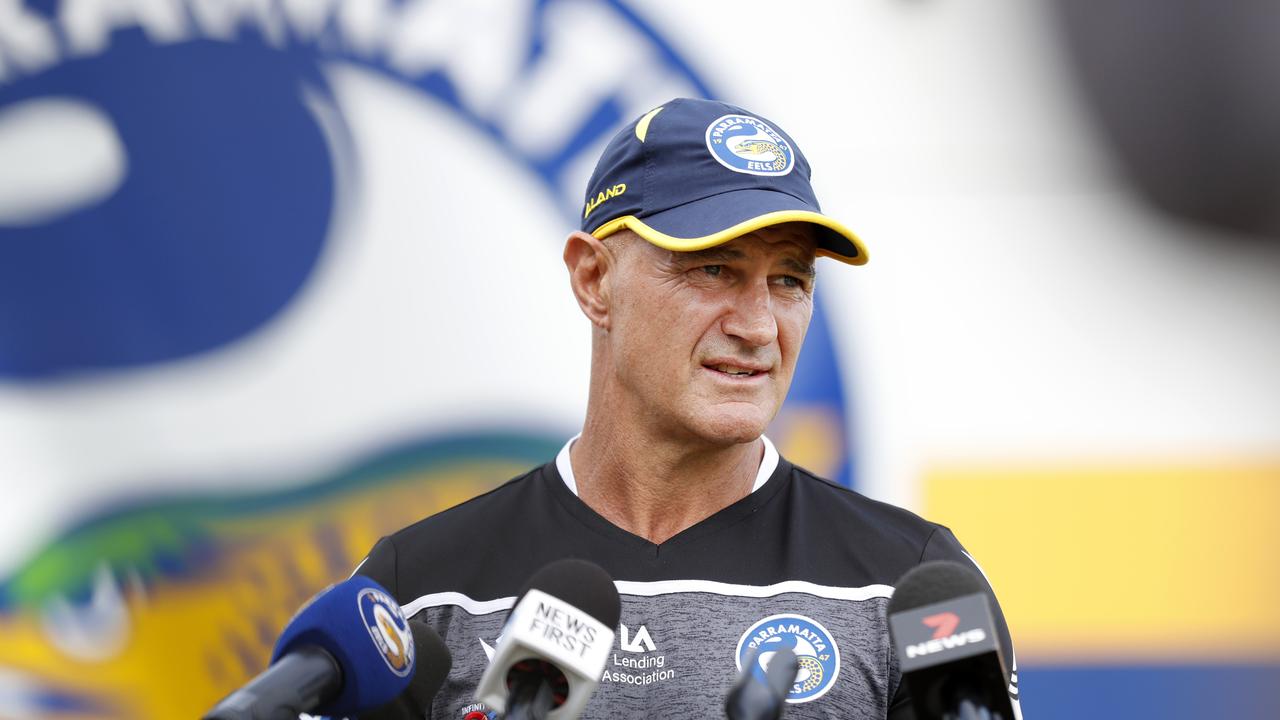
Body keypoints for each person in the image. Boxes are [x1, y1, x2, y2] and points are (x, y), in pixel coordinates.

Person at [356, 97, 1020, 719]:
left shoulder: (909, 586)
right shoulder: (421, 589)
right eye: (713, 269)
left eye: (788, 278)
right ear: (594, 280)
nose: (759, 326)